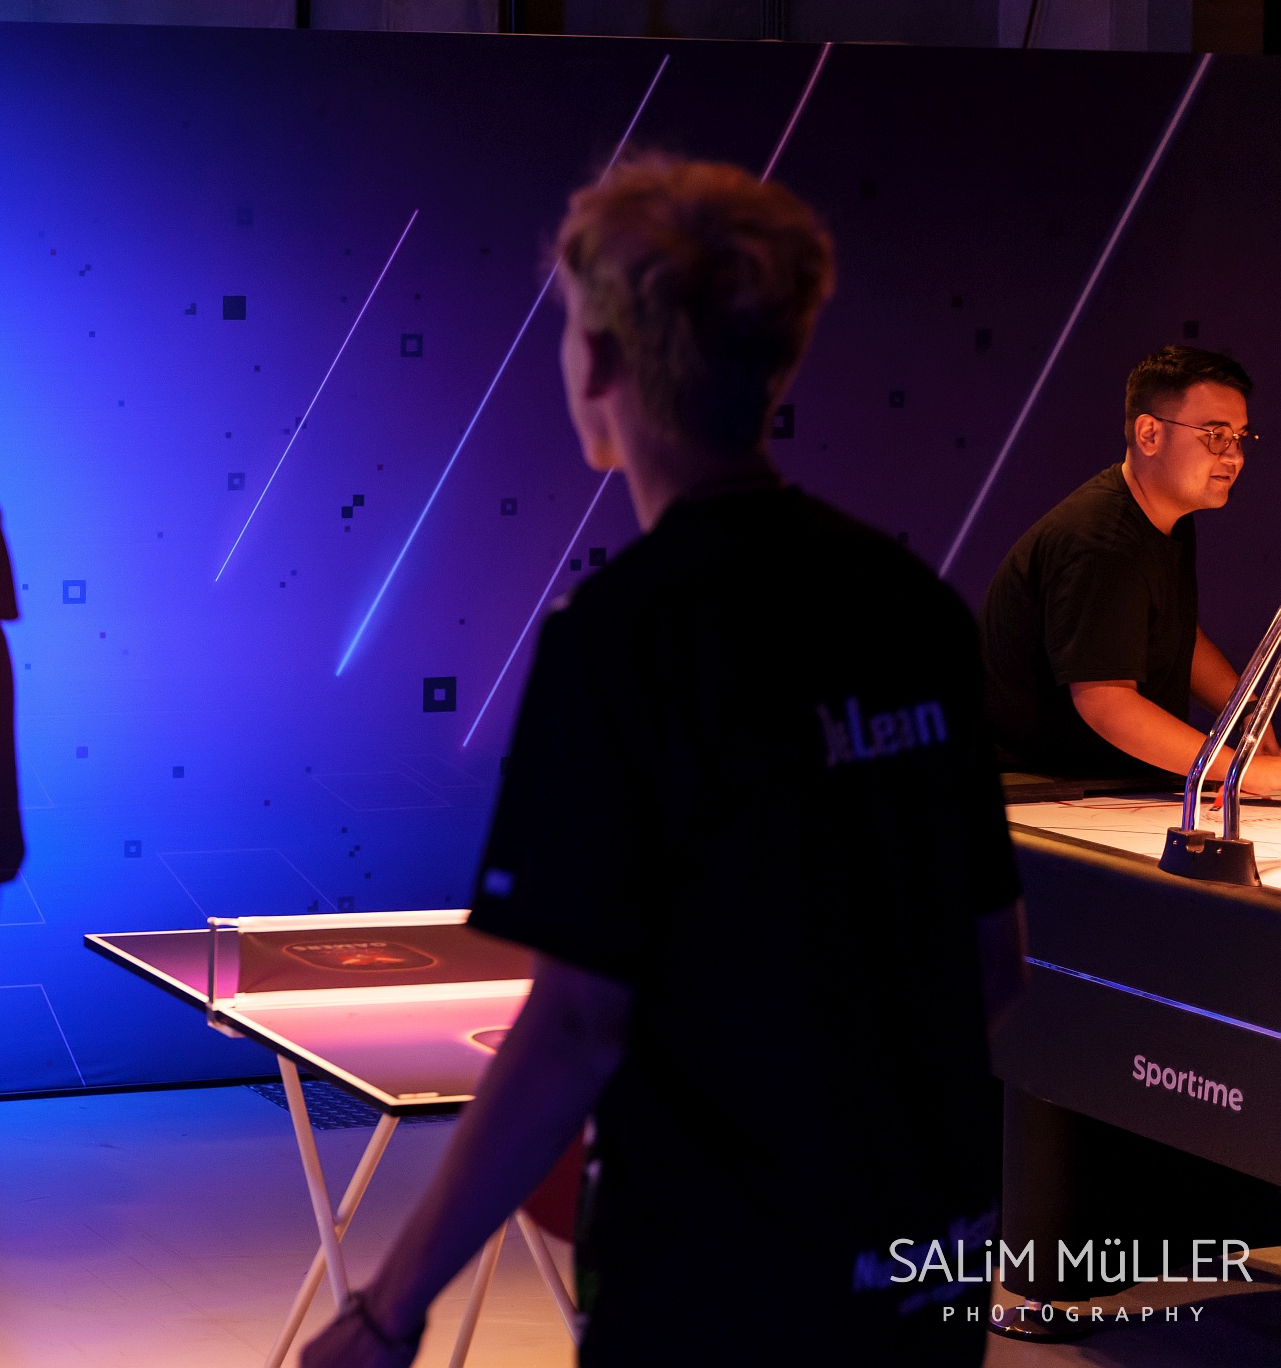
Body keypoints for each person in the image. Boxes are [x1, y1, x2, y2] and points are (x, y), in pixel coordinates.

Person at [304, 159, 1026, 1367]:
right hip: (925, 1267)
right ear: (778, 358)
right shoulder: (917, 609)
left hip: (719, 1290)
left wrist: (388, 1311)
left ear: (597, 364)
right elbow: (990, 963)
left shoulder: (622, 637)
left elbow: (575, 1031)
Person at [979, 346, 1275, 791]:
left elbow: (1171, 631)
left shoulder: (1166, 518)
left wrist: (1246, 711)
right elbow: (1106, 703)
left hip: (1104, 784)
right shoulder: (1102, 542)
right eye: (1216, 435)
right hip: (1040, 788)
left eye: (1239, 437)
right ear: (1149, 434)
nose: (1234, 457)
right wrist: (1244, 772)